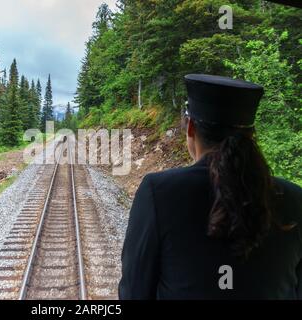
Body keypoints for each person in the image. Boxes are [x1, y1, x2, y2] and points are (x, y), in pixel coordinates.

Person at [119, 74, 302, 300]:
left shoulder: (158, 192)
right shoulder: (296, 199)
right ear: (251, 134)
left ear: (191, 128)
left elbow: (134, 291)